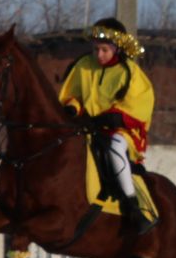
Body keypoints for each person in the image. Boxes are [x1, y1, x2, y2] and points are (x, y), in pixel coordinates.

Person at [58, 17, 155, 235]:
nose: (98, 55)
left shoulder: (129, 71)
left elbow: (140, 104)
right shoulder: (83, 66)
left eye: (104, 50)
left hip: (121, 131)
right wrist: (73, 107)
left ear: (117, 48)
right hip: (88, 126)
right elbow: (71, 94)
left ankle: (132, 205)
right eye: (95, 49)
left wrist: (115, 117)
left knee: (115, 146)